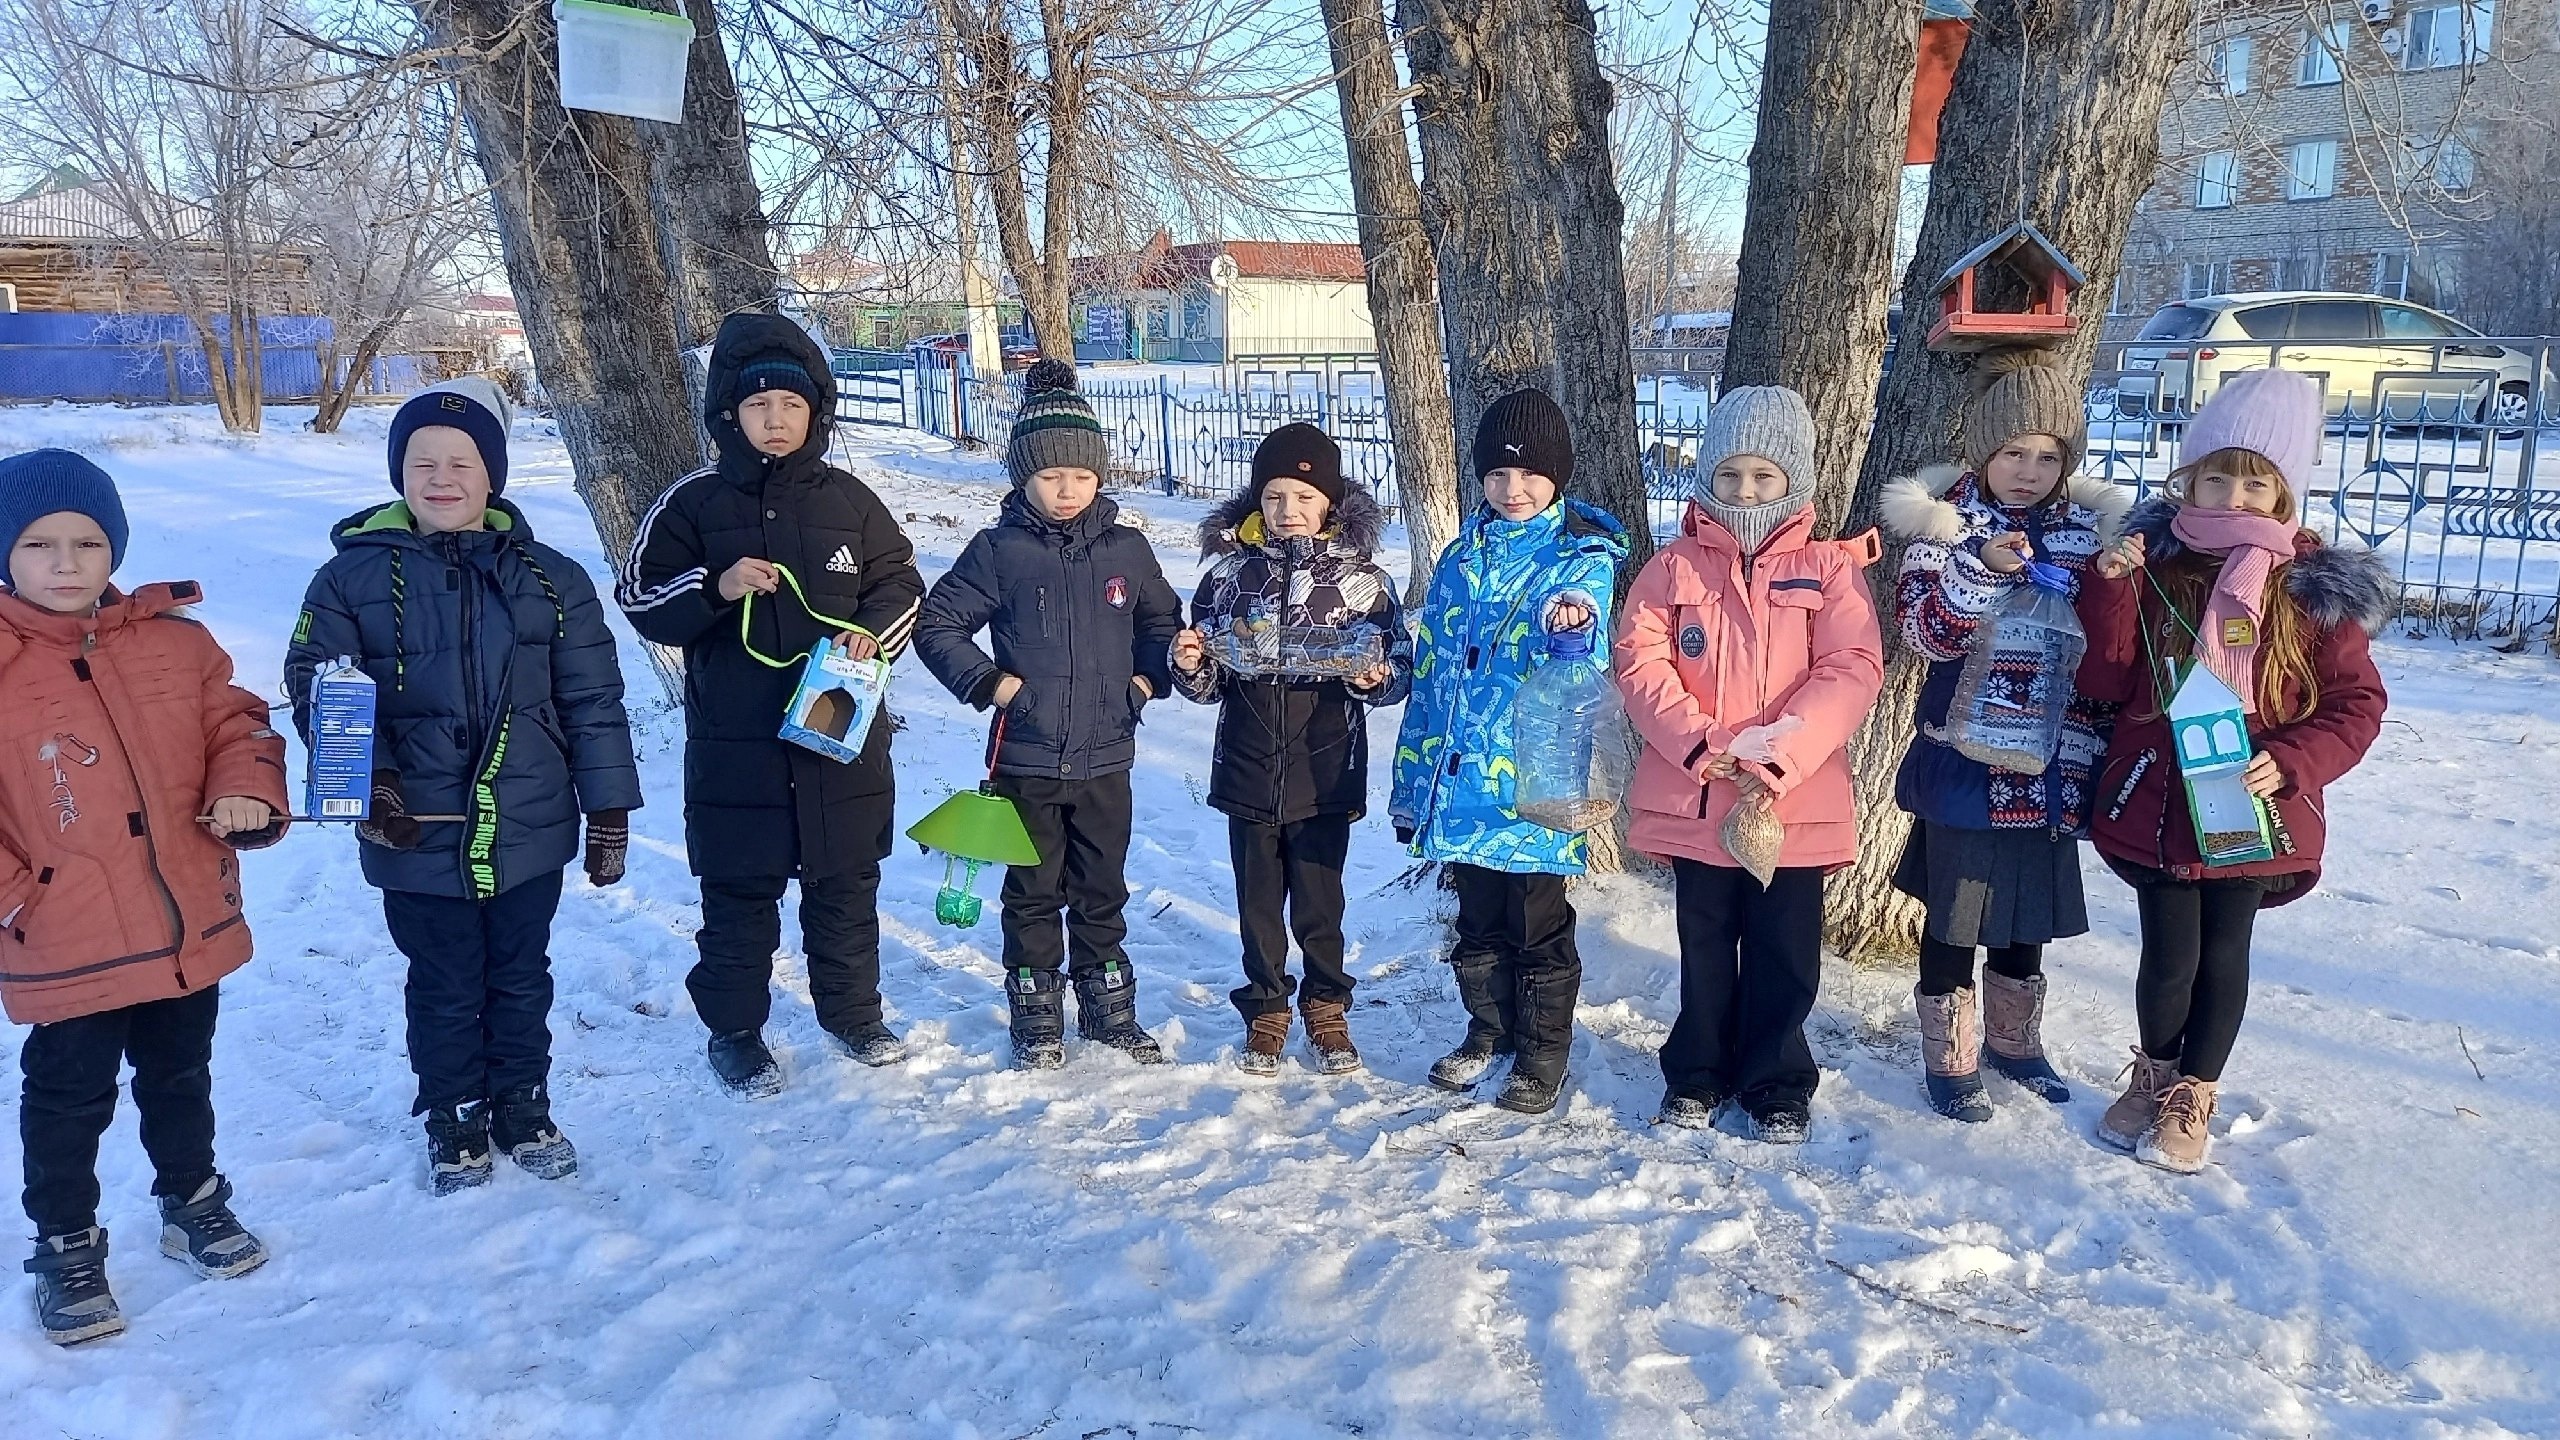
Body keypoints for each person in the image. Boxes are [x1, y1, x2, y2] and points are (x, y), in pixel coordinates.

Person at [286, 378, 641, 1194]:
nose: (442, 478)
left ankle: (522, 1101)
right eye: (422, 462)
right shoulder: (348, 581)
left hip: (528, 821)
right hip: (413, 829)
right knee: (444, 982)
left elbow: (591, 699)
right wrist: (371, 786)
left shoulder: (550, 578)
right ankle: (454, 1113)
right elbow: (322, 686)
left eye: (462, 461)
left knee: (521, 971)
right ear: (398, 473)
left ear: (494, 475)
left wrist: (609, 805)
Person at [2, 449, 288, 1344]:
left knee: (180, 1074)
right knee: (68, 1099)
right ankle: (67, 1245)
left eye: (87, 542)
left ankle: (191, 1198)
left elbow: (237, 724)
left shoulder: (176, 642)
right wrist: (20, 895)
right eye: (39, 543)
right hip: (65, 931)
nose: (65, 563)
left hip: (181, 919)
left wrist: (248, 788)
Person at [2077, 368, 2389, 1173]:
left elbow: (2356, 706)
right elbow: (2108, 682)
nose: (2235, 495)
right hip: (2158, 794)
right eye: (2218, 476)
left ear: (2286, 494)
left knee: (2224, 954)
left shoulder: (2312, 590)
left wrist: (2288, 762)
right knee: (2166, 956)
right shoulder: (2155, 563)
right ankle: (2154, 1073)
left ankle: (2195, 1094)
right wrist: (2111, 594)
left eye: (2257, 481)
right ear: (2190, 477)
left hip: (2252, 802)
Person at [618, 312, 926, 1095]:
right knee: (738, 899)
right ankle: (736, 1032)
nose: (777, 421)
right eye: (760, 408)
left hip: (839, 742)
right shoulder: (691, 503)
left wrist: (869, 634)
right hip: (736, 749)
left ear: (815, 414)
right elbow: (640, 595)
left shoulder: (851, 501)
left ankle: (853, 1013)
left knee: (846, 888)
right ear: (731, 416)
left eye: (792, 407)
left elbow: (901, 583)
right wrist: (716, 587)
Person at [1614, 387, 1885, 1144]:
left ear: (1794, 480)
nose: (1745, 492)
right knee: (1705, 942)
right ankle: (1697, 1070)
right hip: (1702, 792)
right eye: (1729, 475)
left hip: (1791, 801)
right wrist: (1701, 744)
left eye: (1764, 477)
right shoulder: (1672, 569)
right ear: (1706, 476)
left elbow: (1853, 665)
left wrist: (1784, 753)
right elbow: (1640, 661)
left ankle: (1776, 1079)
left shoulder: (1828, 570)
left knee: (1785, 949)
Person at [1878, 354, 2128, 1121]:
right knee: (1957, 914)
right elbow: (1924, 634)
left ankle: (2014, 1041)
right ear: (1985, 451)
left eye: (2048, 456)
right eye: (2013, 452)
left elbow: (2113, 646)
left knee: (2027, 914)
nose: (2028, 470)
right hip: (1966, 762)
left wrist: (2119, 579)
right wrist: (1980, 574)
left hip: (2052, 760)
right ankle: (1948, 1054)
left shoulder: (2090, 534)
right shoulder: (1944, 525)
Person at [915, 360, 1184, 1069]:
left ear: (1100, 476)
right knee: (1033, 889)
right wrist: (995, 686)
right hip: (1026, 758)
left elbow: (1162, 622)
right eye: (1050, 477)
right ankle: (1036, 1014)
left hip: (1106, 758)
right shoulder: (1000, 552)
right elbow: (937, 624)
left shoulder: (1128, 549)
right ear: (1023, 479)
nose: (1067, 490)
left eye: (1081, 475)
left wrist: (1145, 684)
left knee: (1101, 887)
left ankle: (1107, 1008)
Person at [1391, 388, 1628, 1116]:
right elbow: (1435, 675)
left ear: (1556, 475)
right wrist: (1415, 781)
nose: (1512, 489)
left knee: (1537, 925)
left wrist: (1572, 623)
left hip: (1533, 783)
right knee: (1478, 920)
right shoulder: (1462, 553)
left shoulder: (1580, 553)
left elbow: (1582, 635)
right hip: (1460, 777)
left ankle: (1542, 1052)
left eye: (1528, 475)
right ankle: (1487, 1031)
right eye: (1496, 475)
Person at [1169, 423, 1412, 1076]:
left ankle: (1326, 1006)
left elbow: (1398, 671)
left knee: (1319, 900)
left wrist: (1374, 677)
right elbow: (1210, 682)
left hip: (1325, 760)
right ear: (1257, 501)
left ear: (1331, 502)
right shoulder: (1227, 576)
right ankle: (1267, 1007)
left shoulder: (1364, 583)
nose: (1288, 511)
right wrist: (1190, 662)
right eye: (1274, 496)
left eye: (1304, 497)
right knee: (1257, 900)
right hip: (1248, 757)